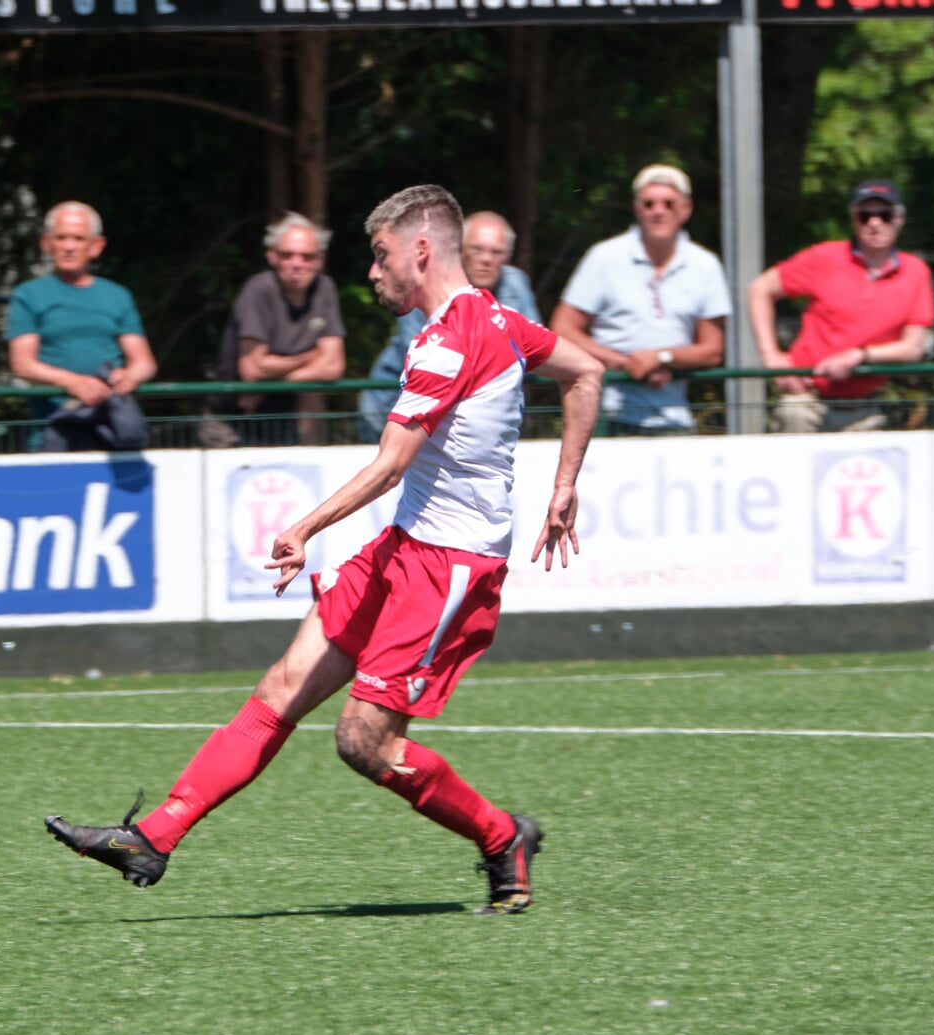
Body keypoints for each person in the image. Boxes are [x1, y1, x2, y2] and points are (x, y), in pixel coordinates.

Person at [45, 185, 603, 914]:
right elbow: (586, 371)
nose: (371, 274)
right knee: (282, 688)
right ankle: (153, 836)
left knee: (364, 744)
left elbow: (391, 463)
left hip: (450, 568)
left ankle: (502, 837)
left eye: (379, 257)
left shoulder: (449, 340)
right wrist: (564, 485)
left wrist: (304, 527)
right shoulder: (495, 320)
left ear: (421, 251)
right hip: (406, 546)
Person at [550, 165, 729, 436]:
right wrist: (624, 363)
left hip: (674, 418)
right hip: (605, 416)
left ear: (685, 209)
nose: (658, 211)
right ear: (637, 208)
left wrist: (662, 358)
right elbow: (562, 328)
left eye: (668, 204)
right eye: (649, 204)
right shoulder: (604, 257)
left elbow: (713, 349)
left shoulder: (705, 265)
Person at [748, 179, 934, 434]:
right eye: (865, 215)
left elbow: (912, 348)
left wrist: (859, 355)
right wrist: (771, 356)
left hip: (865, 407)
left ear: (899, 219)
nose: (874, 223)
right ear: (853, 219)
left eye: (884, 214)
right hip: (806, 400)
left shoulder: (915, 272)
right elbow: (760, 289)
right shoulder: (825, 257)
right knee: (793, 422)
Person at [360, 210, 539, 444]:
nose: (486, 259)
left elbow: (534, 351)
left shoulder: (516, 284)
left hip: (465, 423)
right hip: (390, 410)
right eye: (477, 249)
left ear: (508, 256)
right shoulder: (427, 278)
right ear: (460, 249)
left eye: (496, 252)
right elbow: (427, 357)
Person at [5, 201, 158, 452]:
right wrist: (72, 382)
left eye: (78, 238)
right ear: (47, 243)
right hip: (53, 429)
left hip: (112, 429)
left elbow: (144, 362)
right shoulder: (28, 294)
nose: (68, 247)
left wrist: (128, 377)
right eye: (61, 238)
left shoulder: (118, 295)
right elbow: (22, 364)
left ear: (96, 246)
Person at [205, 212, 346, 447]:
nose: (297, 264)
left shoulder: (325, 289)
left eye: (307, 257)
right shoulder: (256, 290)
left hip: (282, 420)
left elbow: (333, 366)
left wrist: (272, 384)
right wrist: (311, 356)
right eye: (287, 255)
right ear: (272, 256)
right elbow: (252, 369)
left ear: (319, 260)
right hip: (230, 420)